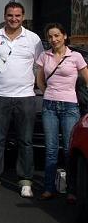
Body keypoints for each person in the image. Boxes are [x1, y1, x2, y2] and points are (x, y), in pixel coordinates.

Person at [0, 2, 43, 198]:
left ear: (23, 16)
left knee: (25, 141)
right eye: (10, 15)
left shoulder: (33, 39)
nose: (13, 19)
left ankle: (25, 181)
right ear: (4, 16)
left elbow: (40, 66)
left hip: (25, 97)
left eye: (17, 15)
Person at [36, 23, 88, 203]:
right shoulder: (45, 55)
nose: (54, 39)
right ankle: (49, 188)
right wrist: (48, 93)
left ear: (64, 36)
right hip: (49, 106)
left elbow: (87, 79)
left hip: (70, 107)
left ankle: (72, 190)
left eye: (57, 35)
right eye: (50, 36)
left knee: (69, 149)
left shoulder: (76, 56)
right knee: (51, 149)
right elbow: (40, 80)